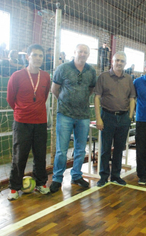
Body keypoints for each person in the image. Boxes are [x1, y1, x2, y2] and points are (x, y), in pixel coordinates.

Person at [6, 44, 51, 200]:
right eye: (35, 55)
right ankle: (14, 188)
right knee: (20, 156)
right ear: (27, 57)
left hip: (40, 122)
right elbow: (10, 99)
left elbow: (44, 96)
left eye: (40, 56)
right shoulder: (17, 76)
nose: (38, 58)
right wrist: (22, 111)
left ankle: (41, 183)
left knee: (40, 155)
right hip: (22, 122)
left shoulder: (45, 76)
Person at [50, 44, 97, 193]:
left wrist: (79, 100)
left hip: (83, 116)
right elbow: (54, 89)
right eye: (80, 51)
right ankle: (57, 178)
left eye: (85, 52)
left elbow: (90, 89)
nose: (82, 54)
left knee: (80, 149)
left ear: (88, 55)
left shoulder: (91, 71)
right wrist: (65, 101)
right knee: (61, 150)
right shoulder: (63, 68)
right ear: (74, 52)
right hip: (65, 114)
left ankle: (76, 175)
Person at [94, 51, 135, 187]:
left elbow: (131, 98)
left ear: (125, 63)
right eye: (117, 60)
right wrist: (99, 118)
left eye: (122, 61)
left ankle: (116, 176)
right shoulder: (103, 77)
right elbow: (97, 98)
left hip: (123, 118)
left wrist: (129, 117)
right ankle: (103, 176)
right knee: (105, 148)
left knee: (119, 148)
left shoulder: (129, 78)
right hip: (107, 116)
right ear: (112, 61)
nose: (119, 63)